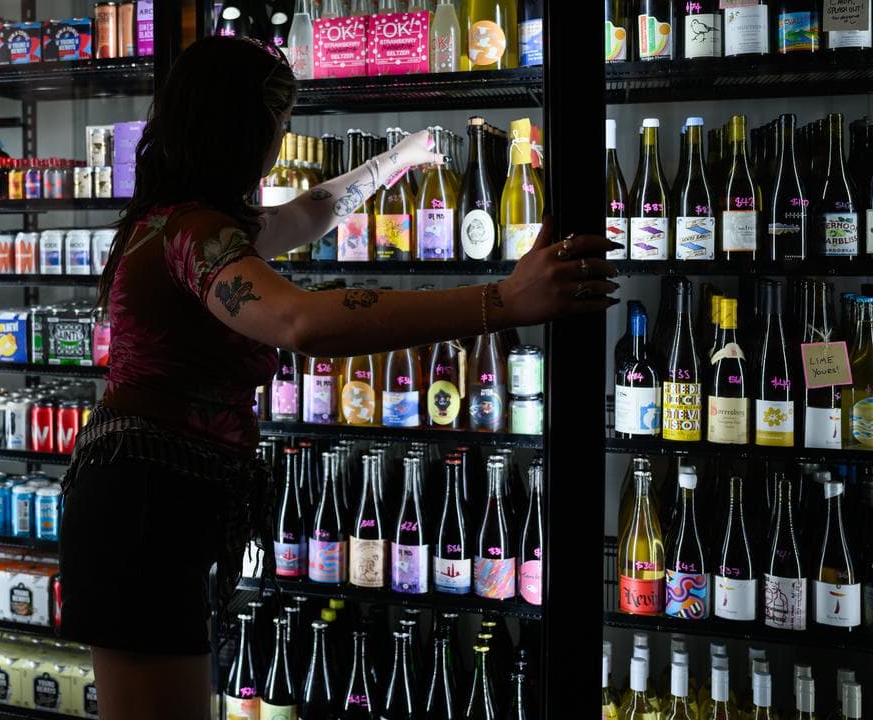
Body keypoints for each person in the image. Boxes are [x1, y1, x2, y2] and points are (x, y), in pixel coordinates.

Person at [58, 36, 619, 720]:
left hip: (151, 502)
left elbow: (307, 214)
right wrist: (502, 302)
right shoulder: (192, 233)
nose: (282, 137)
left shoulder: (182, 223)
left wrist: (396, 160)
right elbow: (301, 321)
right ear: (245, 126)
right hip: (142, 508)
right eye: (280, 121)